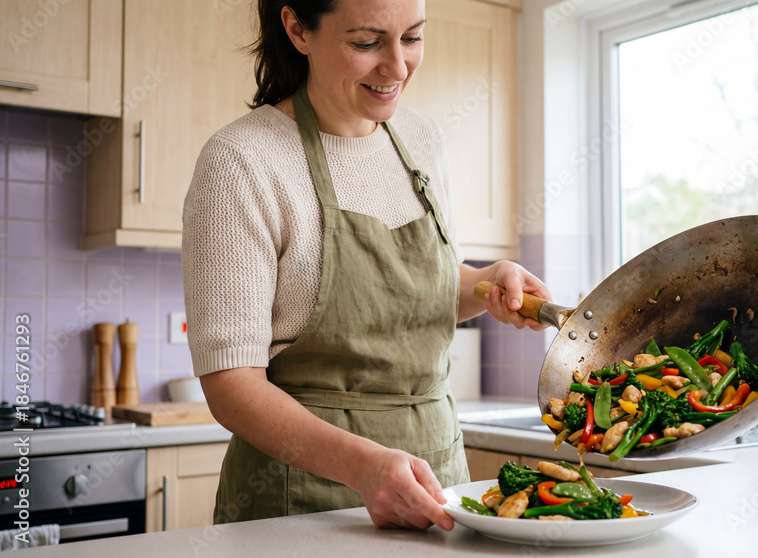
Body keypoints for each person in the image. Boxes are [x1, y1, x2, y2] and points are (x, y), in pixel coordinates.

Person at [182, 0, 550, 532]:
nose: (397, 68)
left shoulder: (422, 140)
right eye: (366, 43)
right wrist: (363, 465)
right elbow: (231, 388)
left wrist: (484, 282)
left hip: (440, 482)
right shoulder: (242, 161)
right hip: (302, 504)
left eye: (413, 38)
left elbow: (423, 293)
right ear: (297, 30)